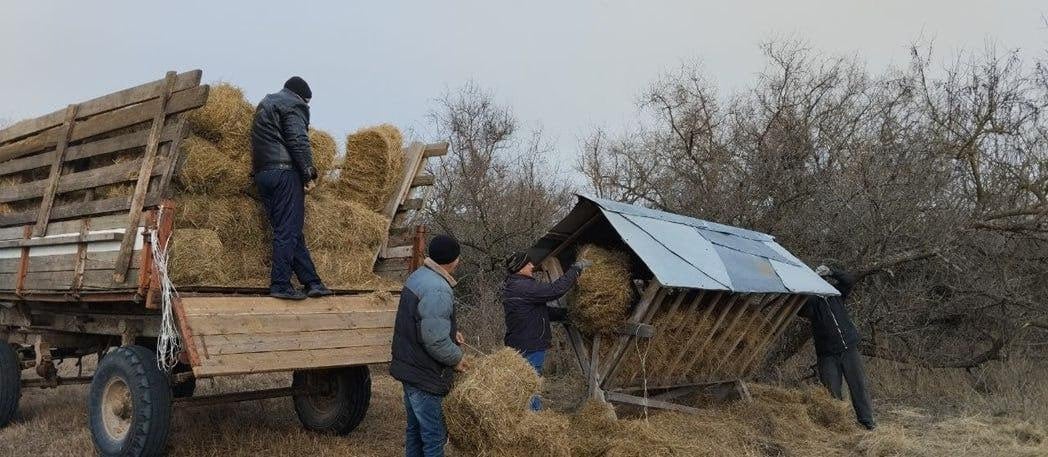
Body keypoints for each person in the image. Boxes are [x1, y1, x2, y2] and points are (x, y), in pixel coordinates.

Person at [250, 76, 332, 300]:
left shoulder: (266, 103)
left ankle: (312, 281)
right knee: (287, 231)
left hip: (263, 173)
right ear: (303, 98)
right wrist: (308, 172)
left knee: (288, 229)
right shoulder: (294, 105)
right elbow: (298, 139)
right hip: (285, 172)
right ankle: (280, 285)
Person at [390, 235, 468, 457]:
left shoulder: (419, 277)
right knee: (434, 437)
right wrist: (457, 358)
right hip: (425, 375)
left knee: (415, 431)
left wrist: (452, 332)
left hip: (409, 367)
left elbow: (422, 321)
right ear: (453, 261)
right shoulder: (438, 289)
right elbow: (435, 340)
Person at [500, 251, 591, 410]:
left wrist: (567, 314)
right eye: (528, 264)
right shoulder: (523, 286)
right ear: (520, 267)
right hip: (530, 344)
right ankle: (534, 418)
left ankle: (530, 415)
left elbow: (537, 312)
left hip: (520, 341)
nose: (532, 266)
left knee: (525, 381)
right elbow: (555, 290)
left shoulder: (513, 286)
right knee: (531, 382)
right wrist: (576, 269)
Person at [799, 265, 876, 430]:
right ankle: (838, 425)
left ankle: (866, 421)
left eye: (822, 279)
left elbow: (849, 280)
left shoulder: (836, 294)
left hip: (849, 348)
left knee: (859, 386)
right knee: (832, 392)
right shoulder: (811, 302)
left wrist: (832, 272)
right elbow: (801, 309)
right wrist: (806, 283)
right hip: (826, 354)